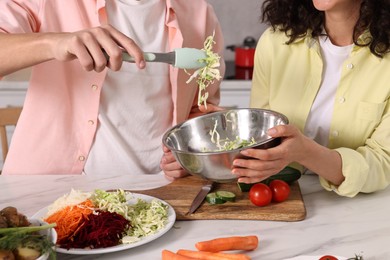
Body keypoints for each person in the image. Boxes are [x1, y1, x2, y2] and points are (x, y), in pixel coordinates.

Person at [0, 0, 225, 177]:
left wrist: (190, 156)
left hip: (158, 192)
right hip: (54, 189)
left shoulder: (200, 14)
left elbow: (200, 115)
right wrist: (56, 43)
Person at [231, 0, 390, 197]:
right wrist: (231, 128)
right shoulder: (275, 42)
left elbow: (382, 163)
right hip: (283, 196)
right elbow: (261, 134)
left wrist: (306, 152)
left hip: (362, 209)